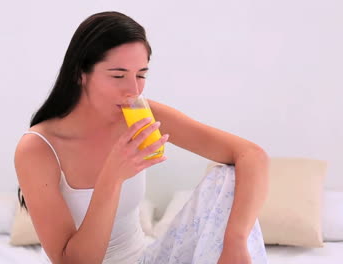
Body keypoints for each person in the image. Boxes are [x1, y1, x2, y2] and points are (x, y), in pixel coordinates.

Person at [14, 11, 269, 264]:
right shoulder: (37, 149)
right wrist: (111, 178)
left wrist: (235, 241)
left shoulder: (140, 115)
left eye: (141, 75)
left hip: (148, 259)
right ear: (80, 73)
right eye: (118, 76)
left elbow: (251, 155)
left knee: (228, 178)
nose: (133, 90)